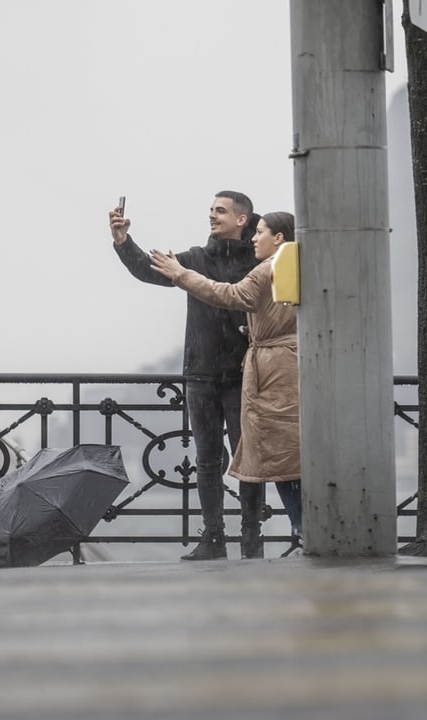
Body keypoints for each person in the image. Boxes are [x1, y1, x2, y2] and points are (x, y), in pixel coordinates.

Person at [110, 192, 260, 560]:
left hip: (243, 376)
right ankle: (213, 538)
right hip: (201, 375)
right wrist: (123, 241)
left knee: (250, 461)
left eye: (220, 211)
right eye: (210, 209)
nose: (211, 215)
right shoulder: (196, 258)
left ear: (242, 219)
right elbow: (148, 270)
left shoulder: (257, 262)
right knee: (207, 459)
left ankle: (251, 538)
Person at [150, 211, 303, 556]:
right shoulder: (293, 265)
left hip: (273, 371)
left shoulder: (267, 268)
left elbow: (231, 295)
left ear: (278, 237)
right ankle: (282, 530)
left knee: (276, 453)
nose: (254, 238)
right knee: (283, 452)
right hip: (283, 363)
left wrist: (182, 275)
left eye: (260, 231)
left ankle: (299, 526)